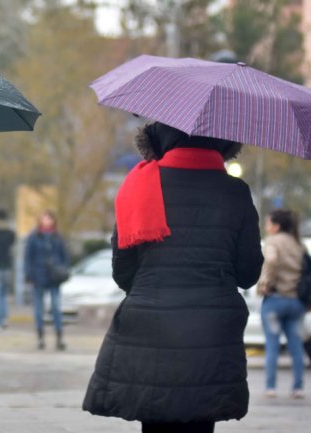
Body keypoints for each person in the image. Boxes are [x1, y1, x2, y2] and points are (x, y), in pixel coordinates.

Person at [82, 122, 264, 433]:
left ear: (159, 138)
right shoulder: (235, 192)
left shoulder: (139, 186)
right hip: (211, 330)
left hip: (150, 326)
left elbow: (123, 272)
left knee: (154, 419)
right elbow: (248, 274)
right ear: (221, 142)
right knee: (200, 419)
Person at [257, 209, 306, 399]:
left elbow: (271, 260)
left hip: (275, 301)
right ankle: (298, 387)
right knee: (295, 346)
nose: (267, 227)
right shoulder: (298, 243)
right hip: (295, 302)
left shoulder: (273, 241)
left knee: (272, 345)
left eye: (268, 223)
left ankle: (271, 387)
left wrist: (265, 285)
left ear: (276, 226)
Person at [24, 210, 70, 350]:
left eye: (49, 218)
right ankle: (40, 337)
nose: (47, 221)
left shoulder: (58, 237)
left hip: (54, 277)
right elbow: (28, 258)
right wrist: (29, 275)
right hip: (38, 277)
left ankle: (59, 337)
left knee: (56, 307)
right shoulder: (34, 237)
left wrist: (63, 270)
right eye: (44, 218)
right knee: (39, 309)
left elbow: (65, 257)